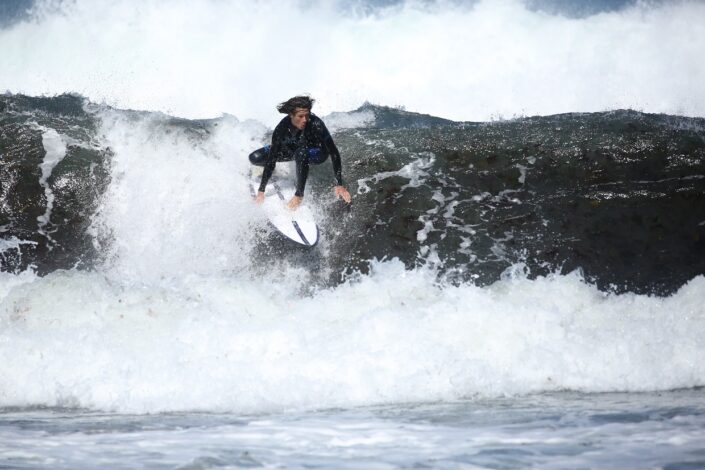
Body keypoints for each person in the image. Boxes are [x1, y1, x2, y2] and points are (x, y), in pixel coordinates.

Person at [249, 95, 352, 209]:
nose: (305, 120)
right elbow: (272, 158)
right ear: (291, 115)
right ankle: (272, 171)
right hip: (296, 149)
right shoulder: (281, 128)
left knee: (301, 153)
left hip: (318, 153)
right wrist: (261, 191)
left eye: (307, 115)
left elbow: (334, 153)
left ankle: (299, 196)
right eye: (301, 116)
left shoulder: (316, 124)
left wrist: (340, 184)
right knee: (255, 157)